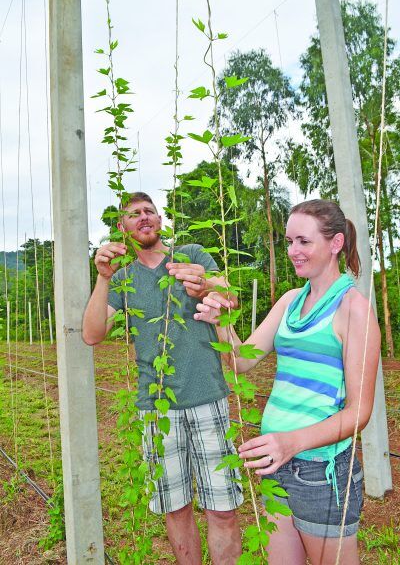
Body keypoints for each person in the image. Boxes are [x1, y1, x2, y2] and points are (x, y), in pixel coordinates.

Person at [194, 199, 381, 565]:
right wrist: (220, 321)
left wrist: (290, 443)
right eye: (289, 241)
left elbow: (360, 412)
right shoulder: (290, 301)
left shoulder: (354, 310)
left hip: (319, 471)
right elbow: (242, 361)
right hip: (276, 463)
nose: (293, 251)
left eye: (304, 241)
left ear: (336, 244)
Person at [82, 191, 243, 565]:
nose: (143, 216)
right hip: (156, 411)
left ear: (160, 220)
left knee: (222, 508)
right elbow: (92, 334)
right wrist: (103, 278)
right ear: (122, 228)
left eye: (148, 210)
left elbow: (230, 297)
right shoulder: (123, 278)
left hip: (208, 398)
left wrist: (205, 286)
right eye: (133, 214)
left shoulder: (191, 255)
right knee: (176, 507)